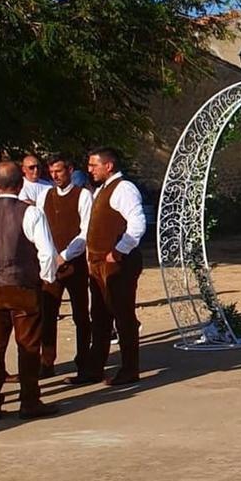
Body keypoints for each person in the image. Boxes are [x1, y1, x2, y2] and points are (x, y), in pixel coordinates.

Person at [0, 160, 58, 420]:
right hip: (23, 285)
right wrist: (46, 278)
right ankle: (29, 401)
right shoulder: (31, 213)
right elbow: (47, 252)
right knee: (28, 345)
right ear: (20, 184)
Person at [82, 148, 145, 386]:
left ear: (108, 166)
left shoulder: (124, 189)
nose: (90, 170)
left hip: (117, 264)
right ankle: (94, 368)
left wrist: (119, 251)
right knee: (98, 316)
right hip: (98, 263)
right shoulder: (101, 190)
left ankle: (130, 369)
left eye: (93, 165)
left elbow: (137, 223)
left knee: (123, 316)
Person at [38, 153, 93, 380]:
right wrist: (49, 257)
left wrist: (66, 255)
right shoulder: (45, 196)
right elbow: (39, 228)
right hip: (50, 265)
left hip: (75, 264)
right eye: (51, 172)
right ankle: (46, 362)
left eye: (59, 171)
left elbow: (85, 231)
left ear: (70, 169)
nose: (55, 176)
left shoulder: (83, 196)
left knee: (81, 315)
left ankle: (84, 362)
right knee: (47, 313)